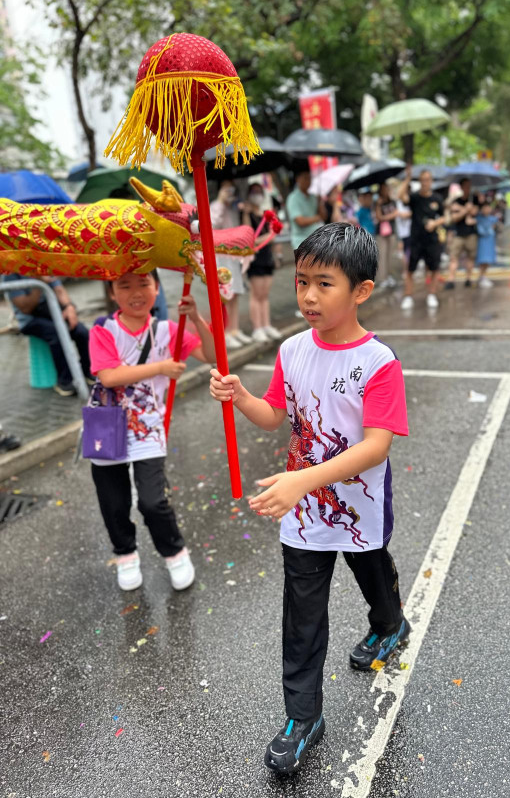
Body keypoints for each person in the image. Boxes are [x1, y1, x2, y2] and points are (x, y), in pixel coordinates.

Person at [210, 223, 410, 775]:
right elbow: (277, 415)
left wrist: (305, 478)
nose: (308, 297)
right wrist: (242, 396)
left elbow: (376, 447)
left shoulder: (378, 362)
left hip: (360, 505)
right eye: (301, 282)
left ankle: (390, 623)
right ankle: (303, 716)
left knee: (372, 571)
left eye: (324, 283)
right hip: (302, 515)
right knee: (302, 616)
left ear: (361, 291)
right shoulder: (292, 350)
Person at [88, 270, 216, 591]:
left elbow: (212, 356)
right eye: (124, 284)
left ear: (157, 288)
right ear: (112, 292)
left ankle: (174, 552)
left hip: (148, 428)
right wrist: (160, 368)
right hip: (106, 425)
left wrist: (197, 318)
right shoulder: (104, 330)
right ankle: (126, 554)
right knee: (113, 501)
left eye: (144, 283)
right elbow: (109, 377)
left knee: (153, 501)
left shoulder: (168, 330)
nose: (136, 291)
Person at [2, 273, 92, 396]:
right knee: (56, 334)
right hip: (29, 320)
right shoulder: (11, 274)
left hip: (50, 313)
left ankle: (87, 371)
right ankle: (65, 381)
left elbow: (59, 290)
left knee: (81, 331)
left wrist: (69, 307)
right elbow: (26, 308)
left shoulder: (43, 265)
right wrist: (39, 282)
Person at [398, 167, 446, 310]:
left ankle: (432, 294)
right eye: (423, 180)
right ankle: (408, 296)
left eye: (428, 180)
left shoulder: (437, 198)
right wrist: (407, 179)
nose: (425, 183)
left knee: (434, 268)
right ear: (419, 181)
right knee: (410, 269)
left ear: (431, 181)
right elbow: (400, 196)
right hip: (416, 239)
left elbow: (444, 217)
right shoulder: (414, 197)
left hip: (432, 239)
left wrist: (435, 223)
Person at [210, 180, 250, 350]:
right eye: (226, 188)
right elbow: (213, 223)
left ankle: (234, 329)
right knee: (224, 295)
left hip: (234, 255)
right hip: (221, 255)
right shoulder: (215, 205)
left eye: (231, 188)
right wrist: (220, 201)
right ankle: (224, 332)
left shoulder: (234, 207)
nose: (229, 192)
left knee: (235, 293)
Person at [242, 183, 283, 343]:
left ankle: (266, 325)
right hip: (255, 259)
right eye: (254, 192)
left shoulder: (264, 216)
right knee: (256, 294)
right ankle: (257, 328)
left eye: (260, 192)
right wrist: (268, 237)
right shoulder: (247, 215)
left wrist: (276, 254)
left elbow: (271, 239)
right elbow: (248, 239)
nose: (257, 195)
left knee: (265, 295)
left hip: (266, 257)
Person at [445, 178, 479, 289]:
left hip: (471, 233)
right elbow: (454, 217)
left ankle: (468, 278)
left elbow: (475, 212)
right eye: (465, 186)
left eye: (469, 186)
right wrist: (465, 210)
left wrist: (465, 209)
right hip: (458, 233)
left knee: (470, 257)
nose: (467, 188)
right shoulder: (457, 200)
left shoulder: (474, 199)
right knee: (454, 257)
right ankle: (451, 279)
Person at [285, 169, 324, 252]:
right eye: (305, 178)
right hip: (301, 241)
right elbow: (300, 221)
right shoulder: (293, 198)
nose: (308, 181)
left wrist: (320, 203)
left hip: (316, 240)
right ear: (297, 179)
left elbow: (324, 216)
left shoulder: (313, 197)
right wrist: (317, 218)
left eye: (309, 178)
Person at [375, 183, 398, 287]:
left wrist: (387, 217)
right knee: (382, 255)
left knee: (390, 255)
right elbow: (378, 217)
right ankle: (382, 278)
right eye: (384, 189)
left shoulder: (392, 201)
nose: (386, 191)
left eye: (387, 189)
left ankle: (389, 276)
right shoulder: (377, 202)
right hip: (381, 233)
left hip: (392, 232)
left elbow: (396, 213)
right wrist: (379, 206)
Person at [475, 202, 499, 288]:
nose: (487, 210)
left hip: (490, 241)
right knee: (483, 260)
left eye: (488, 207)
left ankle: (484, 276)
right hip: (483, 242)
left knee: (488, 260)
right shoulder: (479, 219)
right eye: (485, 208)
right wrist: (489, 229)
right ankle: (481, 277)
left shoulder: (493, 219)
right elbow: (481, 231)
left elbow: (498, 228)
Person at [395, 193, 412, 271]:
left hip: (410, 231)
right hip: (403, 232)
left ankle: (408, 269)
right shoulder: (398, 203)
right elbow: (401, 214)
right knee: (405, 251)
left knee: (409, 251)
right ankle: (406, 270)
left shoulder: (409, 203)